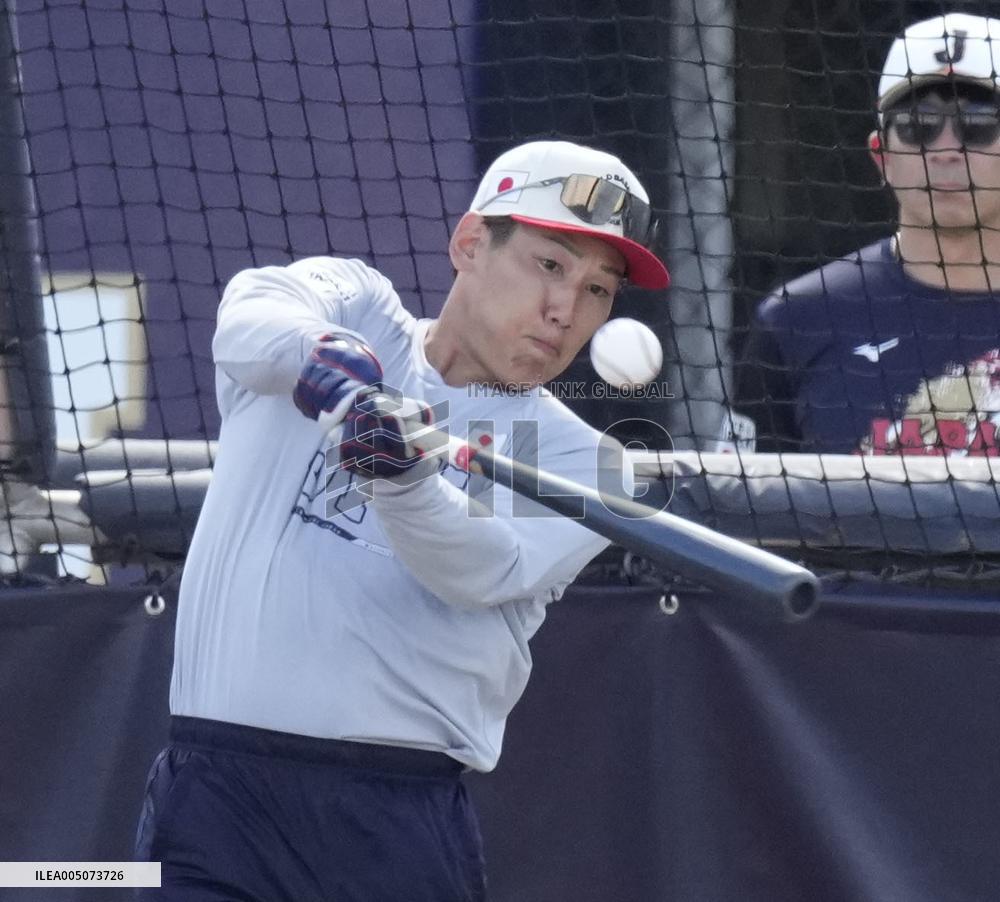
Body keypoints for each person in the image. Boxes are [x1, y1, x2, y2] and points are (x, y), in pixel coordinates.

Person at [132, 140, 669, 901]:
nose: (566, 311)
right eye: (551, 265)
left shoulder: (590, 465)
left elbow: (477, 570)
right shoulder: (357, 308)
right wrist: (323, 353)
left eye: (598, 291)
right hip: (213, 805)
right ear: (470, 243)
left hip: (394, 830)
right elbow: (248, 314)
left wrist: (402, 477)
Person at [733, 12, 1000, 456]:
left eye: (979, 122)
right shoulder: (795, 319)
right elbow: (743, 516)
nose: (947, 149)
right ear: (882, 156)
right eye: (919, 125)